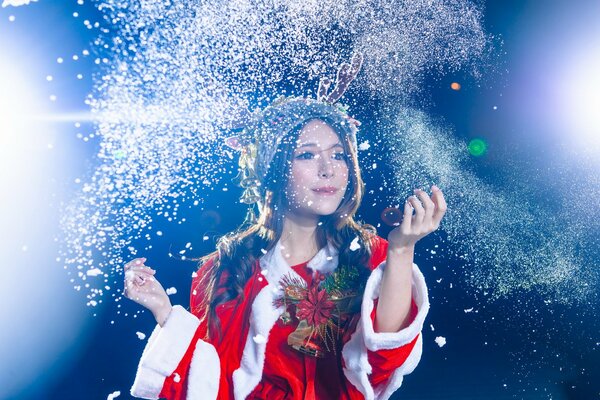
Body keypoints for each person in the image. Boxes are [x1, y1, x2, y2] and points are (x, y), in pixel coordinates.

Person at [124, 56, 446, 400]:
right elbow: (210, 387)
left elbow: (382, 357)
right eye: (306, 155)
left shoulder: (370, 255)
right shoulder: (222, 272)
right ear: (272, 169)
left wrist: (401, 249)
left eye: (338, 155)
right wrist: (164, 312)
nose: (328, 169)